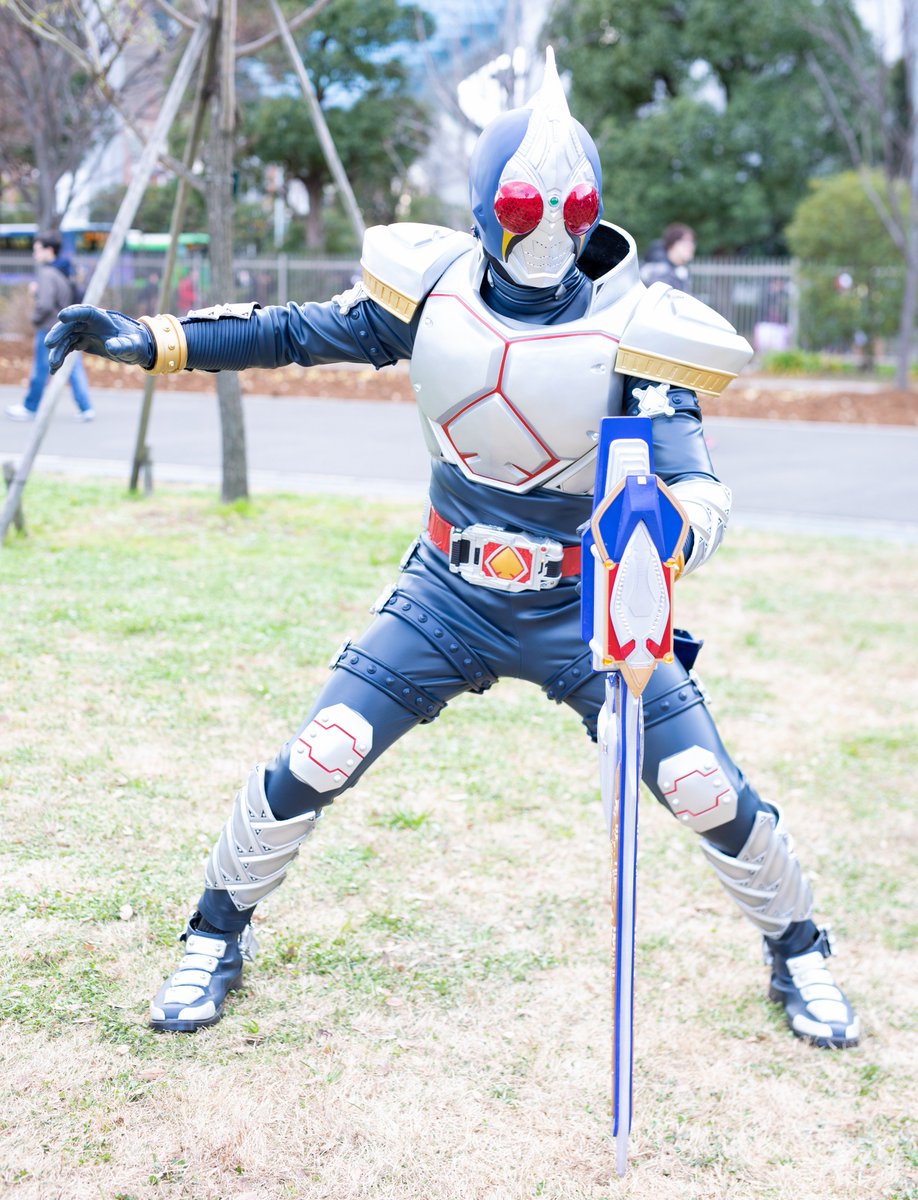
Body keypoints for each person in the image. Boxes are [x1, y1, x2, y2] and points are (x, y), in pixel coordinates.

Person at [46, 50, 858, 1049]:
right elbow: (292, 331)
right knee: (322, 750)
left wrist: (668, 538)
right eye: (522, 205)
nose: (549, 228)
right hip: (448, 592)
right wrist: (150, 338)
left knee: (702, 786)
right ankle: (214, 933)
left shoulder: (637, 331)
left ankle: (799, 949)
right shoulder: (431, 293)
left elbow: (696, 482)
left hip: (588, 609)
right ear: (484, 204)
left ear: (596, 211)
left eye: (572, 207)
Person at [6, 231, 95, 423]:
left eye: (37, 249)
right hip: (67, 327)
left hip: (48, 328)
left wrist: (35, 317)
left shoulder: (47, 273)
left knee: (40, 369)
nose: (35, 254)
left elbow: (46, 304)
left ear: (49, 250)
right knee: (73, 368)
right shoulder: (65, 270)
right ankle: (86, 408)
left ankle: (30, 407)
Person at [640, 223, 697, 293]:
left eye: (692, 241)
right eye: (685, 241)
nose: (690, 246)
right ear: (672, 244)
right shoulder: (658, 272)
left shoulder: (679, 270)